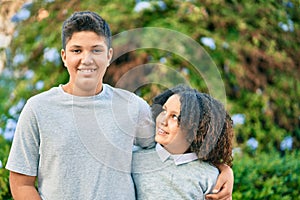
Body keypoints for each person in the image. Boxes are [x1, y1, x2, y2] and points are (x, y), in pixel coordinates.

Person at [6, 11, 233, 199]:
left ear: (109, 56)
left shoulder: (133, 107)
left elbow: (170, 149)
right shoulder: (38, 108)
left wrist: (220, 170)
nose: (87, 59)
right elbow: (21, 183)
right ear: (64, 57)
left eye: (96, 50)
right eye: (77, 51)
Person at [132, 85, 234, 200]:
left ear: (196, 129)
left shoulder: (210, 177)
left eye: (174, 117)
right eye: (164, 110)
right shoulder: (134, 158)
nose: (163, 121)